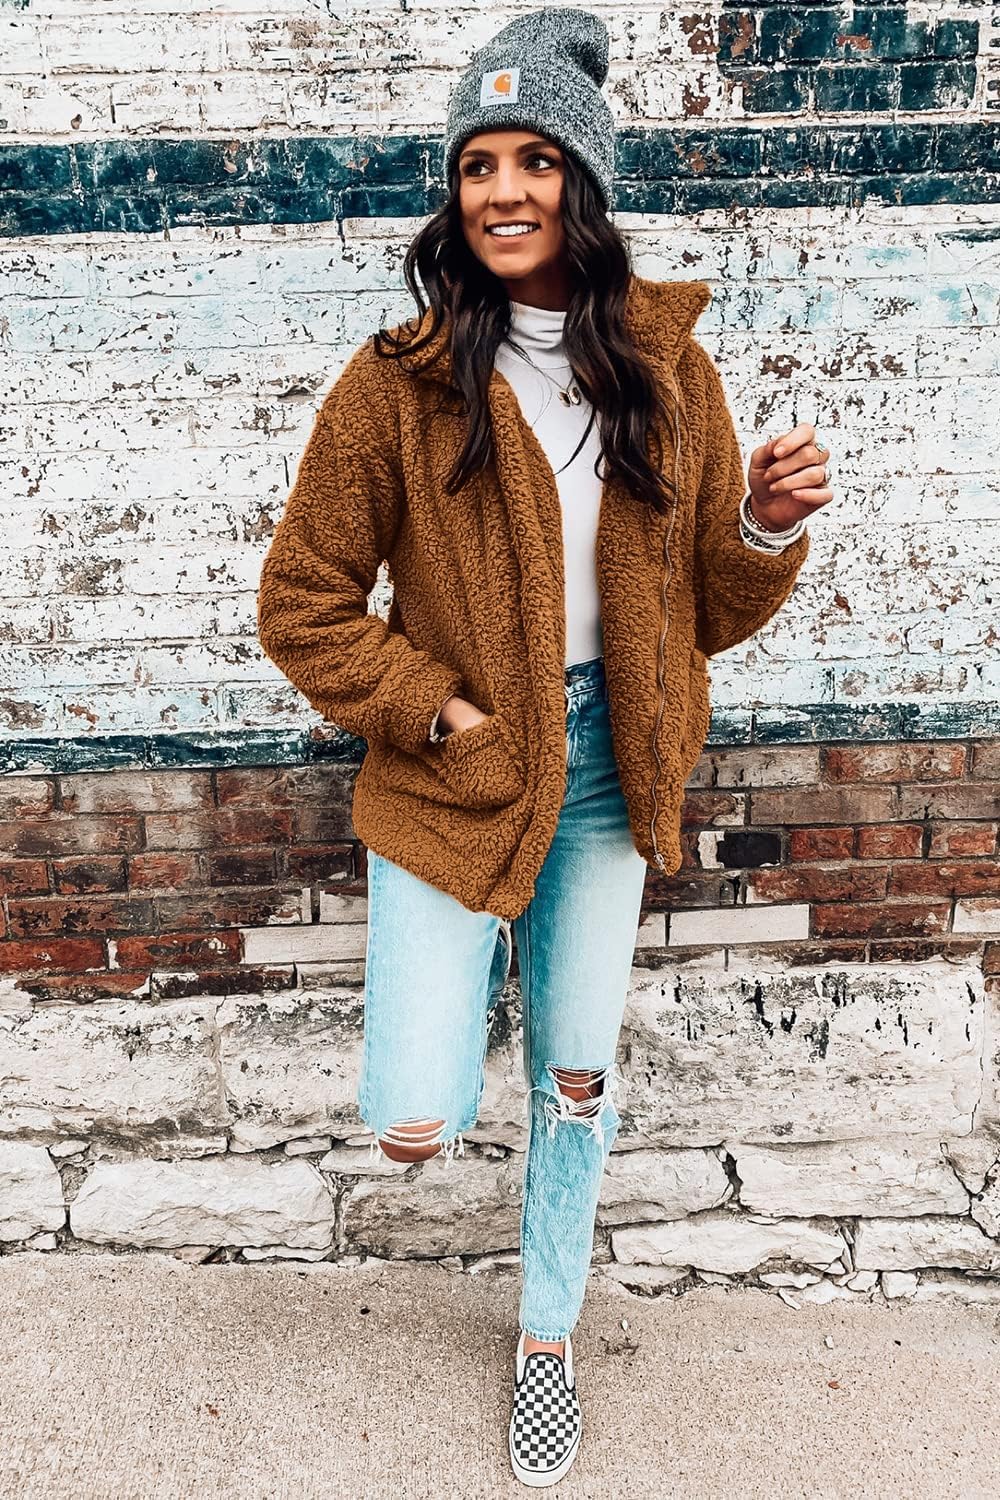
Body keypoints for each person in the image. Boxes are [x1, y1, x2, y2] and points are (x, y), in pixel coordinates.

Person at [257, 7, 835, 1485]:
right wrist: (437, 709)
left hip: (608, 773)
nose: (502, 191)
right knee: (412, 1120)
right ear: (454, 192)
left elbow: (709, 608)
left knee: (576, 1078)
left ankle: (546, 1340)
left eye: (534, 161)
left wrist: (763, 523)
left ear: (583, 181)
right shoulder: (399, 383)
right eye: (477, 164)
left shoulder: (667, 372)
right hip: (456, 774)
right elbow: (302, 602)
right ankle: (441, 1085)